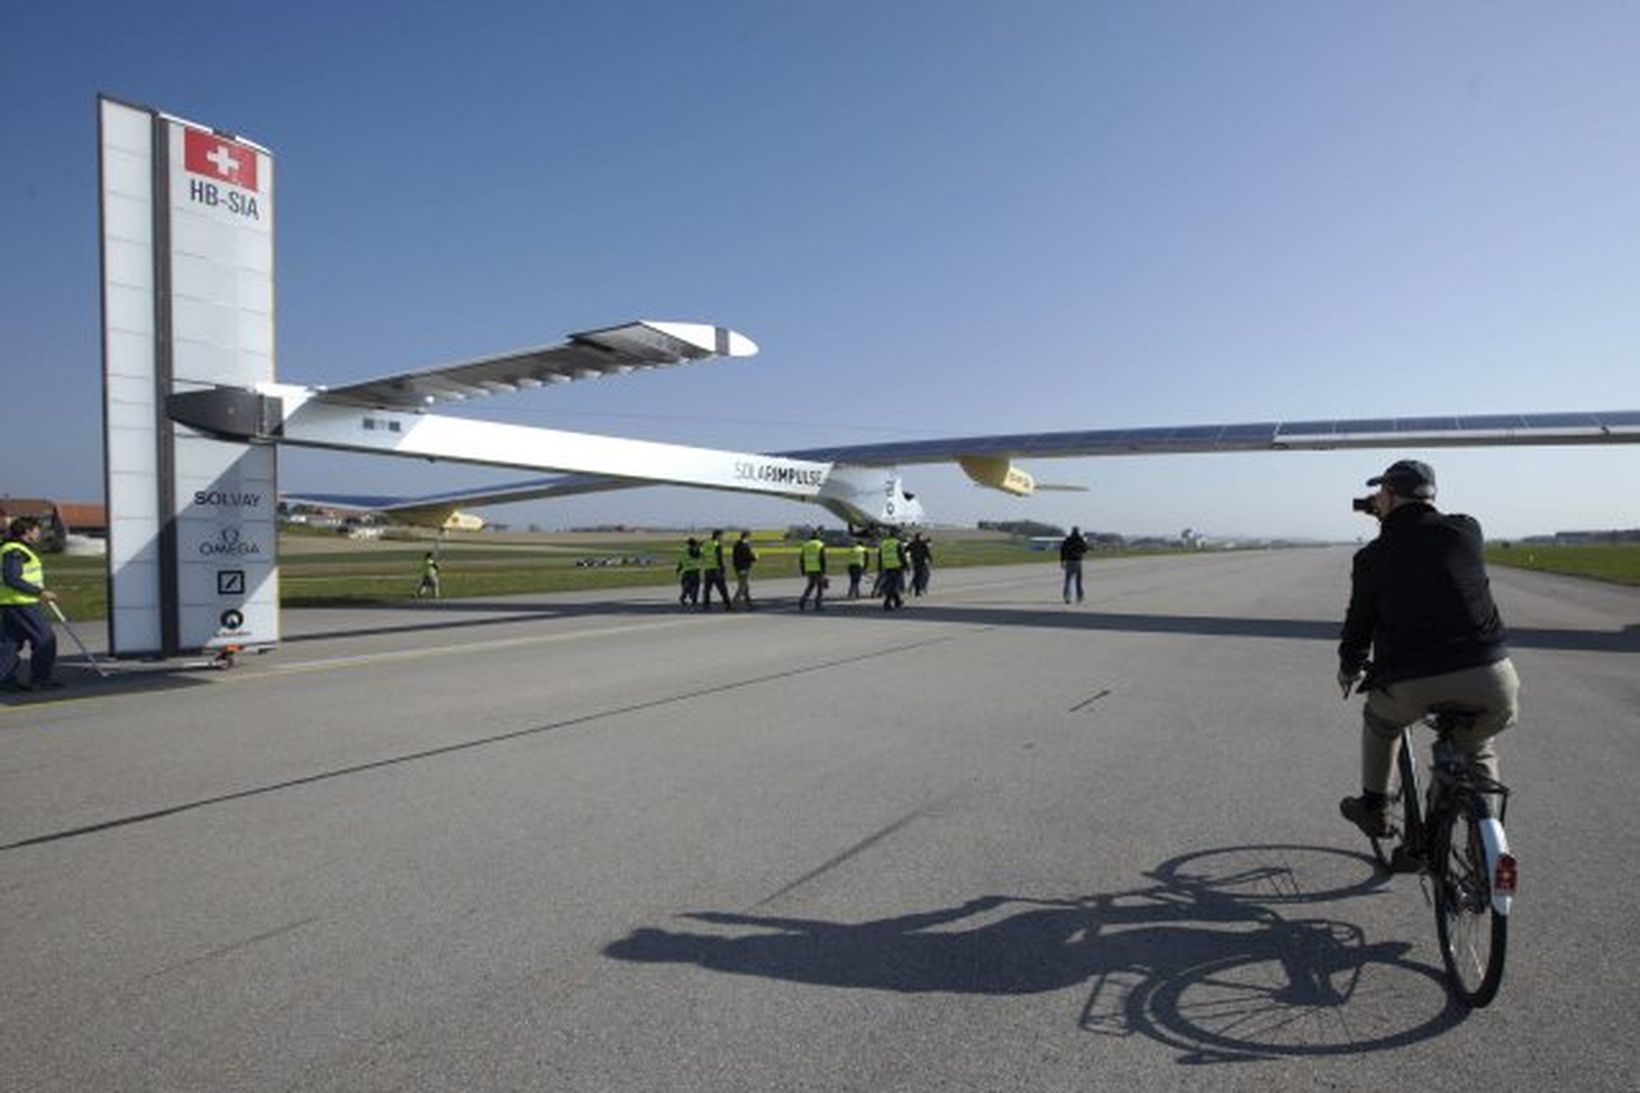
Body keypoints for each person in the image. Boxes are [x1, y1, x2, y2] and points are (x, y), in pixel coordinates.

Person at [1336, 460, 1520, 839]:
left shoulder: (1371, 557)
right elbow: (1426, 548)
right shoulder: (1466, 531)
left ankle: (1375, 808)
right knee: (1476, 744)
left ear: (1386, 495)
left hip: (1414, 680)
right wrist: (1392, 516)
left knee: (1380, 722)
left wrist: (1349, 668)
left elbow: (1360, 625)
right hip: (1491, 678)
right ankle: (1485, 841)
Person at [0, 517, 61, 692]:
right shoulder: (15, 551)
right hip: (22, 603)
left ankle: (4, 680)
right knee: (45, 638)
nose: (39, 533)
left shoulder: (11, 548)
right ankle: (40, 679)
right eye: (37, 530)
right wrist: (40, 592)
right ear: (27, 532)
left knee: (10, 643)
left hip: (11, 602)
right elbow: (12, 578)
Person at [701, 529, 732, 612]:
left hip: (707, 569)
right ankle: (728, 605)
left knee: (707, 589)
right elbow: (719, 557)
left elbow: (702, 554)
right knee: (722, 589)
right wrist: (722, 568)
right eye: (722, 536)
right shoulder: (716, 544)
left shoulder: (706, 543)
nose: (722, 538)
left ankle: (706, 605)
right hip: (716, 569)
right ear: (717, 536)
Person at [797, 528, 827, 611]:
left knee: (810, 586)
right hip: (818, 569)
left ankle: (802, 601)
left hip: (809, 569)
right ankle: (818, 604)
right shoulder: (820, 545)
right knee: (820, 587)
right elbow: (822, 558)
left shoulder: (806, 545)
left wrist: (803, 569)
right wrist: (824, 570)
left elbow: (801, 559)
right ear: (818, 536)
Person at [878, 528, 905, 611]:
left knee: (891, 584)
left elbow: (879, 556)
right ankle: (887, 603)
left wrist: (880, 567)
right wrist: (906, 566)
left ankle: (898, 601)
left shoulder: (883, 543)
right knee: (894, 586)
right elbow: (901, 556)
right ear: (896, 534)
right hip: (896, 566)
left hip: (886, 566)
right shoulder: (897, 543)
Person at [1059, 526, 1088, 603]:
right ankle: (1079, 597)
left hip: (1069, 561)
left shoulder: (1067, 540)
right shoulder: (1080, 540)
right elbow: (1085, 549)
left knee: (1068, 580)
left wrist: (1062, 561)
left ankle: (1067, 597)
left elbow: (1062, 551)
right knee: (1078, 580)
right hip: (1077, 561)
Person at [731, 530, 758, 610]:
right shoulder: (745, 546)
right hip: (744, 568)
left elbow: (735, 558)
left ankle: (749, 604)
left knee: (745, 587)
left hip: (737, 567)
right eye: (749, 537)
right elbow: (749, 557)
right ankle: (734, 604)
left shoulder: (736, 545)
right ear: (747, 536)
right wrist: (756, 557)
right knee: (742, 587)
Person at [676, 536, 703, 607]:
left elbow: (681, 561)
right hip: (694, 571)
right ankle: (693, 599)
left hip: (687, 572)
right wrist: (699, 546)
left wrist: (678, 569)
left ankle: (684, 597)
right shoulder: (697, 551)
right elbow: (697, 556)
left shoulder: (685, 551)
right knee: (694, 587)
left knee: (687, 587)